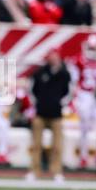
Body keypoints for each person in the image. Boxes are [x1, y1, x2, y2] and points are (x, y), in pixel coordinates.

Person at [28, 49, 70, 182]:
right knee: (36, 145)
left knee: (57, 145)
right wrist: (38, 104)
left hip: (56, 114)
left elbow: (69, 92)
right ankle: (35, 171)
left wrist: (60, 104)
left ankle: (56, 171)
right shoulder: (40, 72)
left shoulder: (64, 74)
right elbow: (31, 90)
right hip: (40, 113)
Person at [71, 34, 96, 169]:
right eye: (91, 48)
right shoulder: (79, 61)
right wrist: (75, 98)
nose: (92, 51)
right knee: (84, 127)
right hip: (84, 94)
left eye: (94, 48)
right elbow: (74, 80)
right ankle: (83, 156)